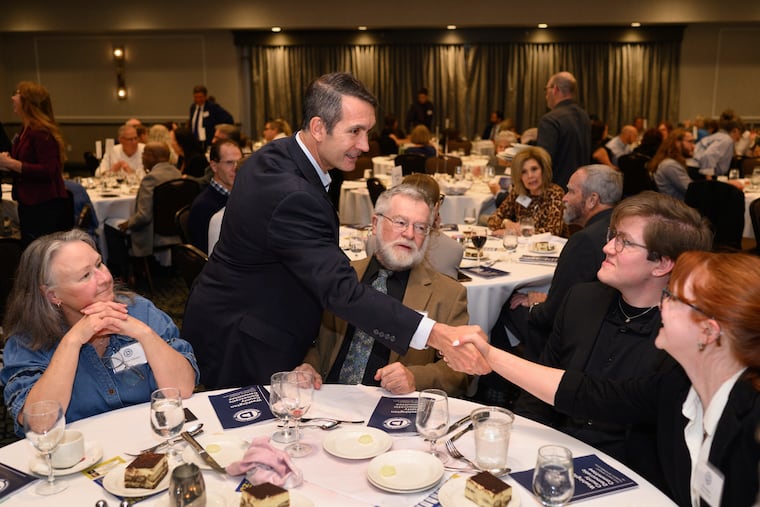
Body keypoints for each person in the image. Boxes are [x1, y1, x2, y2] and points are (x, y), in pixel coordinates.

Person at [181, 72, 486, 390]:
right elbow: (343, 292)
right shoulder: (293, 193)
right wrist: (437, 333)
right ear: (318, 127)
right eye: (354, 132)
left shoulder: (272, 156)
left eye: (367, 132)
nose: (365, 145)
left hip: (231, 313)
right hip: (247, 338)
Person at [456, 250, 760, 507]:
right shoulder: (678, 385)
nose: (661, 304)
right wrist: (490, 356)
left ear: (708, 332)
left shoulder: (752, 423)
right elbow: (590, 394)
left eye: (673, 297)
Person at [512, 191, 712, 487]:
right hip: (552, 462)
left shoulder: (681, 338)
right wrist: (522, 456)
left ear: (662, 265)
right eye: (612, 235)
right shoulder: (582, 300)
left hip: (632, 483)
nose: (607, 247)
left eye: (624, 242)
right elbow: (536, 395)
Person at [0, 230, 198, 435]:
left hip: (149, 442)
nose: (104, 278)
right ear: (53, 295)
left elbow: (183, 388)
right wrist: (72, 341)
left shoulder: (140, 311)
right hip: (78, 458)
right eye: (85, 275)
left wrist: (144, 334)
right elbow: (40, 425)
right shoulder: (28, 341)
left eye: (99, 264)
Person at [299, 184, 470, 396]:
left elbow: (461, 371)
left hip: (392, 411)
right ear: (375, 223)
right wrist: (308, 365)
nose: (409, 234)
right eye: (400, 222)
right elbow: (311, 341)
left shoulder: (448, 294)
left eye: (420, 227)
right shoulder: (341, 278)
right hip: (326, 400)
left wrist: (415, 378)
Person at [494, 164, 623, 360]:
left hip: (572, 341)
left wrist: (535, 306)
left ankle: (499, 383)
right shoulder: (618, 228)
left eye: (571, 191)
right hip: (606, 331)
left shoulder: (584, 241)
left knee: (500, 303)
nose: (564, 197)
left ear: (592, 200)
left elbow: (551, 315)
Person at [0, 82, 70, 247]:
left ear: (28, 102)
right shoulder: (25, 130)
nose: (12, 97)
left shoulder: (41, 132)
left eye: (17, 94)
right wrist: (7, 164)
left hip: (44, 204)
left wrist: (11, 163)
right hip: (30, 202)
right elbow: (24, 165)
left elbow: (49, 170)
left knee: (41, 252)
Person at [109, 143, 182, 275]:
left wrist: (127, 224)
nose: (142, 157)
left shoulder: (151, 179)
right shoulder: (177, 173)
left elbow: (144, 216)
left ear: (152, 157)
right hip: (176, 232)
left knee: (110, 226)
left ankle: (122, 275)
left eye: (144, 154)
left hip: (153, 234)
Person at [485, 146, 565, 237]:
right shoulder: (518, 192)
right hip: (521, 247)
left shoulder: (555, 193)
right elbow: (492, 220)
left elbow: (553, 231)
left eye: (534, 169)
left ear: (543, 170)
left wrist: (517, 232)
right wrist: (506, 223)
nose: (530, 176)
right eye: (524, 172)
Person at [536, 71, 591, 189]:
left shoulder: (550, 120)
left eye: (547, 90)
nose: (546, 95)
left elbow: (543, 162)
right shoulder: (584, 116)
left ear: (555, 89)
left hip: (557, 190)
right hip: (581, 187)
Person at [188, 139, 242, 253]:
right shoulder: (203, 206)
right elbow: (204, 255)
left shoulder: (242, 197)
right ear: (214, 166)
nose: (236, 168)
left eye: (239, 162)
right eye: (229, 162)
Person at [650, 128, 696, 200]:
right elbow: (692, 190)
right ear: (677, 142)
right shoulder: (670, 165)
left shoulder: (669, 162)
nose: (693, 146)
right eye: (690, 141)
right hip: (677, 208)